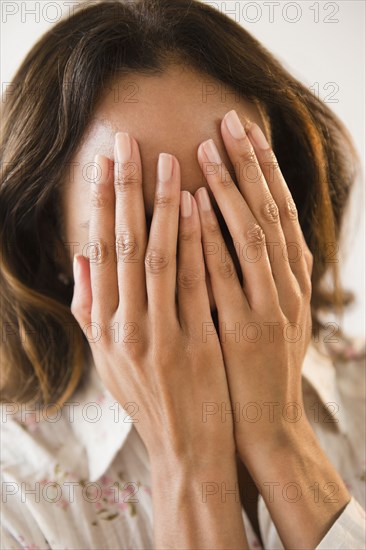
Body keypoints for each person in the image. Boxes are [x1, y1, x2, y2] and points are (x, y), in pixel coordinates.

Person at [1, 1, 365, 549]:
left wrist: (281, 436)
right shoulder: (15, 495)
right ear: (50, 240)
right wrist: (188, 464)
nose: (200, 270)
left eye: (232, 206)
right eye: (147, 228)